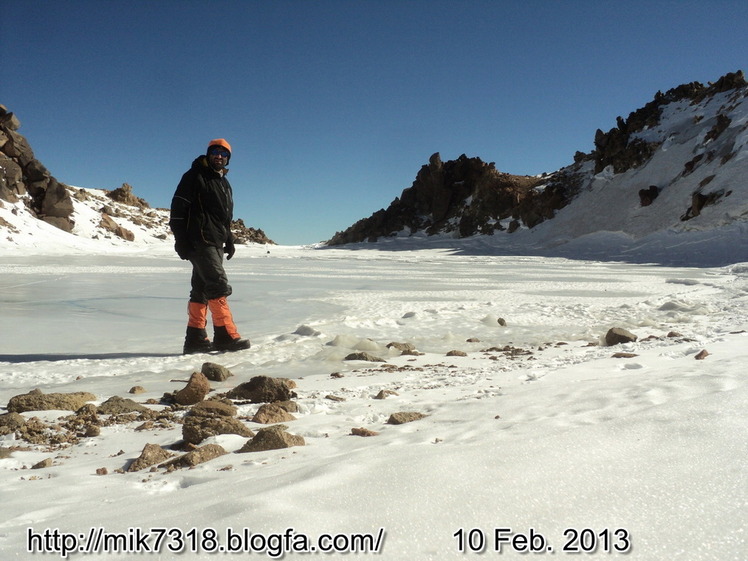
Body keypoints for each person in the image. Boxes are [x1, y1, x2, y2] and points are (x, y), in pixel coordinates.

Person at [169, 139, 251, 354]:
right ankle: (225, 335)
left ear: (228, 159)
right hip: (199, 240)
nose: (219, 156)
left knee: (201, 289)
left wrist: (229, 238)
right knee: (217, 283)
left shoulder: (223, 182)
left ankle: (195, 339)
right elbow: (178, 209)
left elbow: (223, 217)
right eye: (215, 151)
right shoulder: (194, 176)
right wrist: (181, 240)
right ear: (208, 154)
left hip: (215, 241)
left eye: (224, 154)